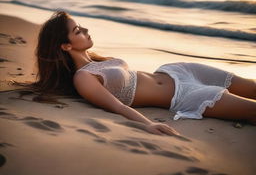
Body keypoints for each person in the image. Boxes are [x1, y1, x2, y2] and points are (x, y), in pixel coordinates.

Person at [24, 11, 256, 136]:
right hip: (184, 96)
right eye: (77, 31)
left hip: (179, 71)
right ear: (65, 46)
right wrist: (147, 124)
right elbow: (118, 107)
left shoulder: (97, 61)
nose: (85, 30)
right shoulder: (83, 78)